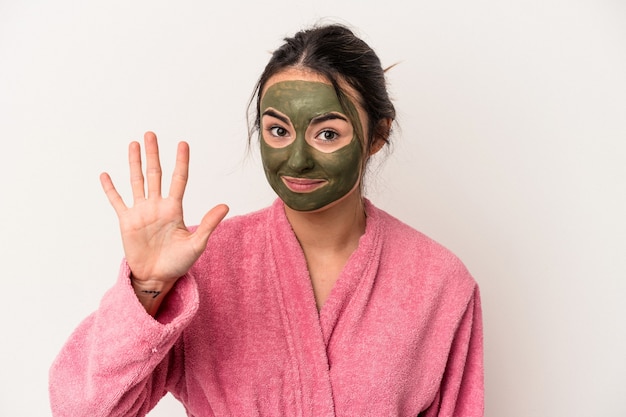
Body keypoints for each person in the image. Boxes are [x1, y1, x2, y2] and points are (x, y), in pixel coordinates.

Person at [49, 24, 483, 416]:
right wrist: (150, 285)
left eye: (327, 133)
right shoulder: (204, 264)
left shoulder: (440, 282)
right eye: (278, 130)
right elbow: (81, 410)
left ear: (377, 135)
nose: (296, 159)